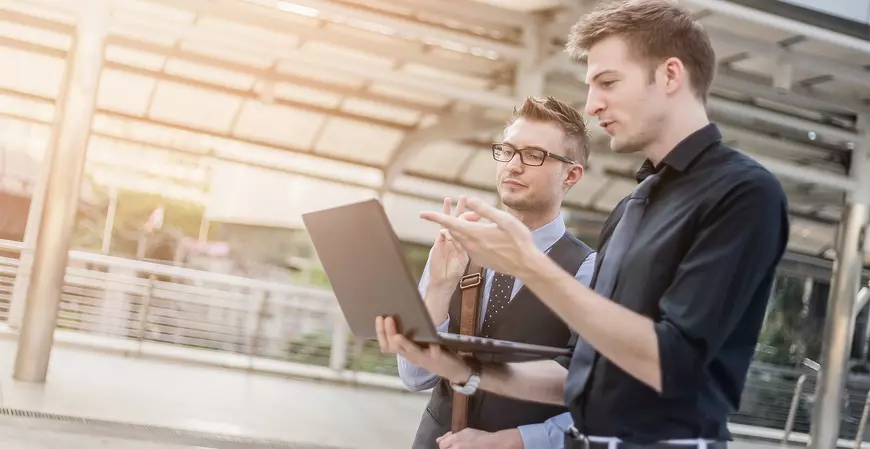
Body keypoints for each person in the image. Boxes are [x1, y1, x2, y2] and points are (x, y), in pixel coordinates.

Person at [378, 0, 790, 447]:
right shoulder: (633, 206)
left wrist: (529, 266)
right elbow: (583, 375)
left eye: (608, 82)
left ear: (671, 75)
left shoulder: (744, 193)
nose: (593, 105)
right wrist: (457, 367)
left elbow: (673, 364)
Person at [398, 96, 598, 449]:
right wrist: (439, 288)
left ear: (572, 174)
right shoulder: (456, 244)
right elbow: (415, 377)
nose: (514, 166)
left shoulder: (588, 271)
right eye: (507, 151)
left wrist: (513, 441)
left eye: (534, 155)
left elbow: (596, 398)